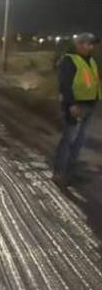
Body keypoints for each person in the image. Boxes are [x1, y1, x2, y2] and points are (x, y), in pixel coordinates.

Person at [53, 33, 101, 186]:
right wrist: (72, 104)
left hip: (89, 105)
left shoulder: (91, 60)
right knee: (69, 140)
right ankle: (59, 173)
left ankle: (70, 172)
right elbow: (65, 85)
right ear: (78, 44)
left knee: (80, 141)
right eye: (87, 43)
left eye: (92, 44)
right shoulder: (69, 60)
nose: (90, 47)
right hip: (76, 106)